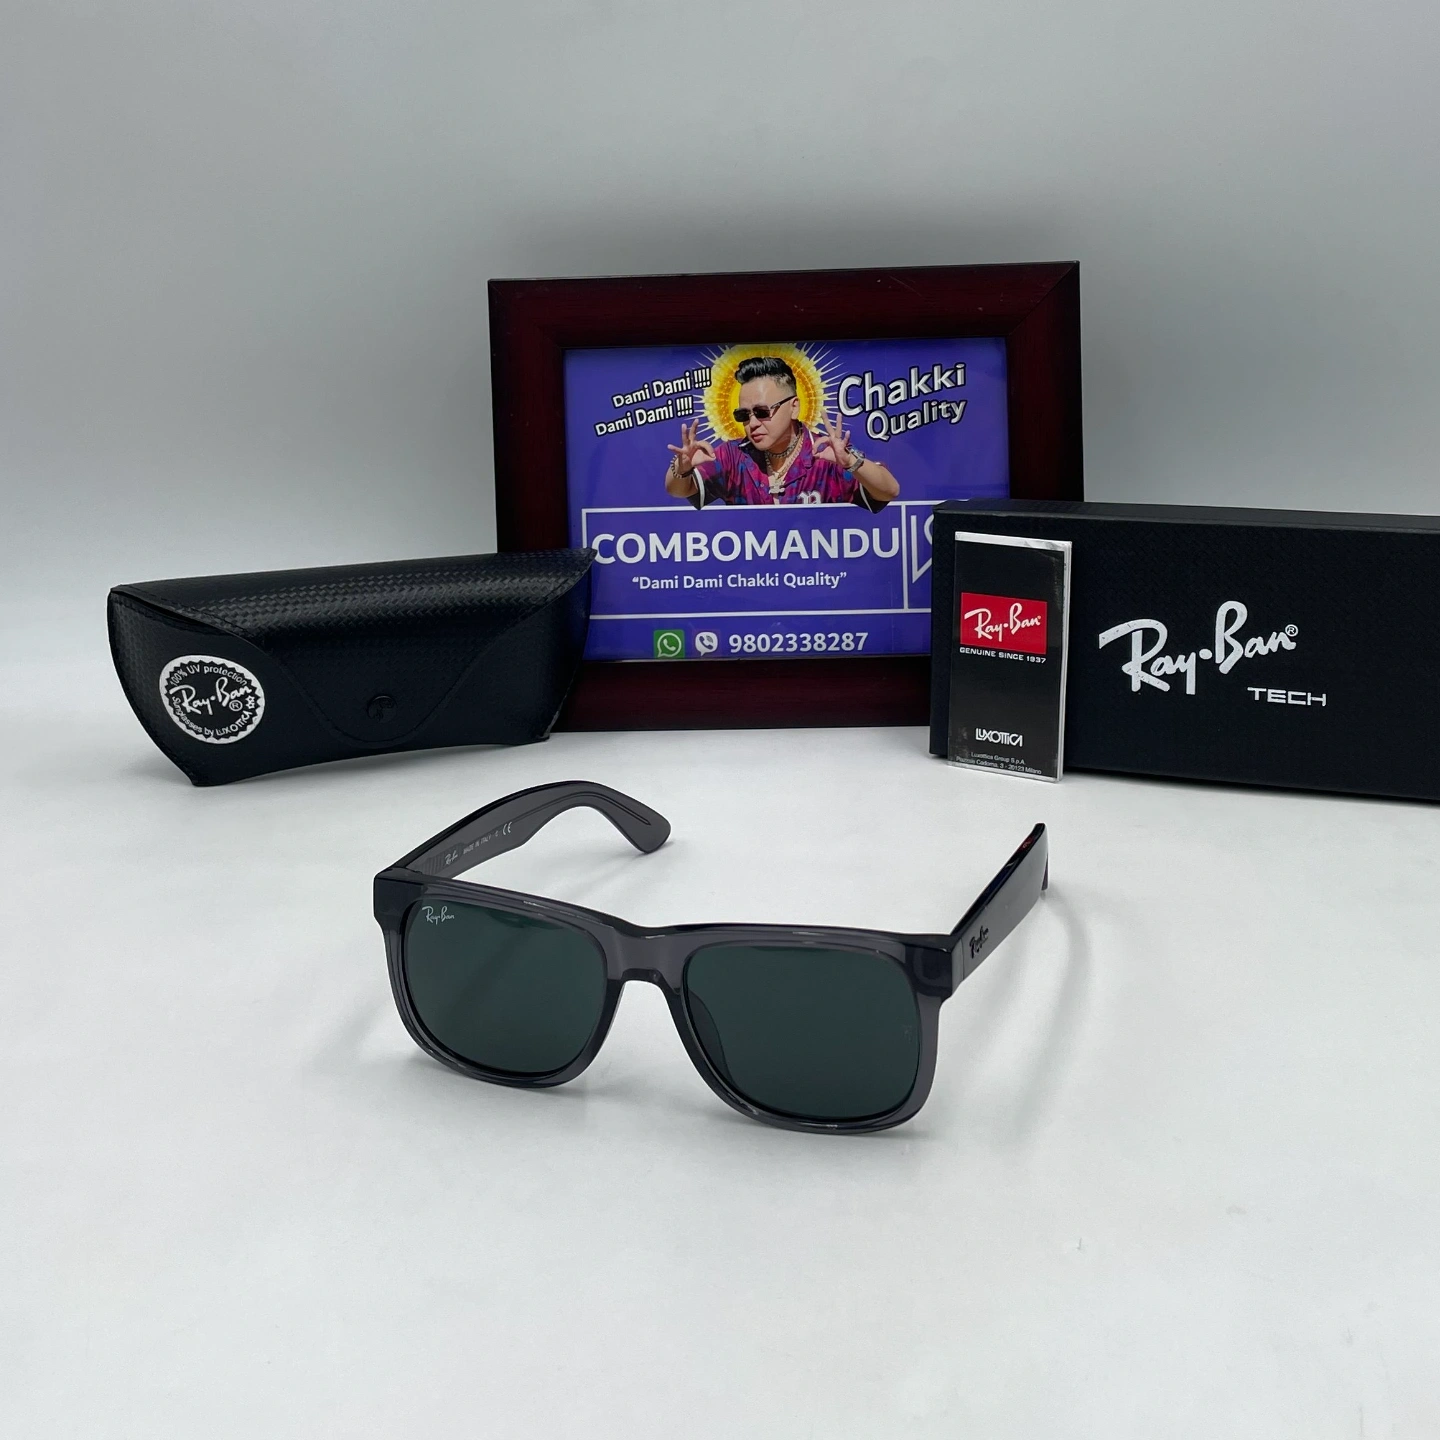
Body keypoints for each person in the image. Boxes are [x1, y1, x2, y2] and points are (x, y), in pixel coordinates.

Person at [663, 355, 900, 510]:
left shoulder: (828, 454)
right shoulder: (733, 456)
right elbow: (679, 489)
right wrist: (681, 468)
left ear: (794, 407)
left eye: (762, 412)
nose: (752, 423)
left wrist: (850, 463)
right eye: (744, 415)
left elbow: (889, 490)